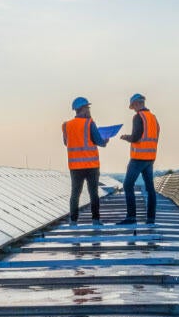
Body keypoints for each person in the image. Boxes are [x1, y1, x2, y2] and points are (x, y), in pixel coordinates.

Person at [62, 96, 108, 226]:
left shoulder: (67, 125)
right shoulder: (89, 123)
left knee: (75, 193)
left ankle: (73, 221)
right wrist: (105, 141)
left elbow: (66, 143)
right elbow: (100, 142)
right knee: (93, 192)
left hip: (75, 166)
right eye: (87, 107)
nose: (89, 110)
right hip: (91, 165)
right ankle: (96, 220)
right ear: (82, 109)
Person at [117, 93, 159, 225]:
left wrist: (125, 137)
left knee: (127, 185)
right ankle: (150, 219)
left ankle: (131, 217)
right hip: (150, 157)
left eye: (133, 106)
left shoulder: (138, 117)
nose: (134, 109)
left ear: (136, 104)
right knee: (150, 188)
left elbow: (135, 137)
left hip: (138, 157)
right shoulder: (153, 118)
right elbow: (156, 135)